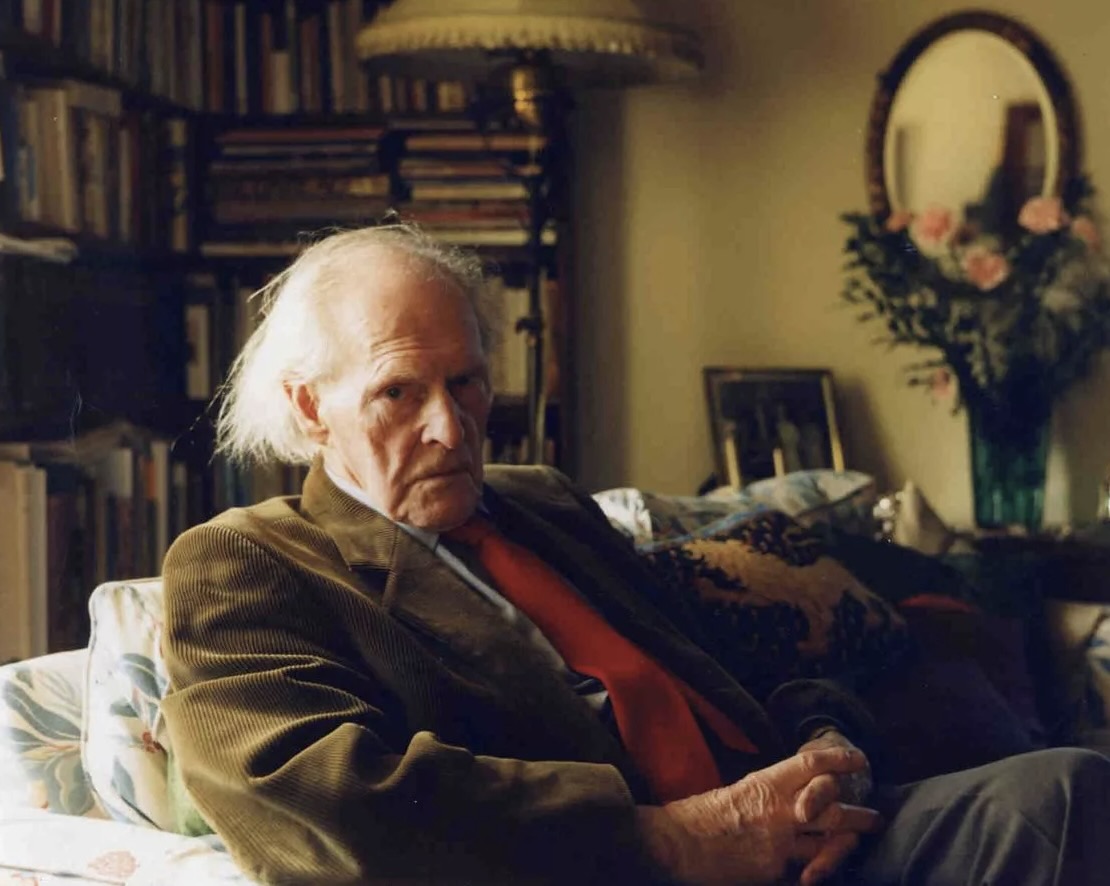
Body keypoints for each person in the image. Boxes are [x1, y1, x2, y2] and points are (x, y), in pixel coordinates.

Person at [161, 224, 1110, 886]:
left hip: (802, 841)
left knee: (1063, 793)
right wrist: (674, 841)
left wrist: (831, 755)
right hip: (617, 869)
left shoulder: (540, 504)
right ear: (309, 407)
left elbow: (739, 661)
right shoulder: (247, 562)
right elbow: (325, 800)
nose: (451, 426)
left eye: (467, 382)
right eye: (399, 393)